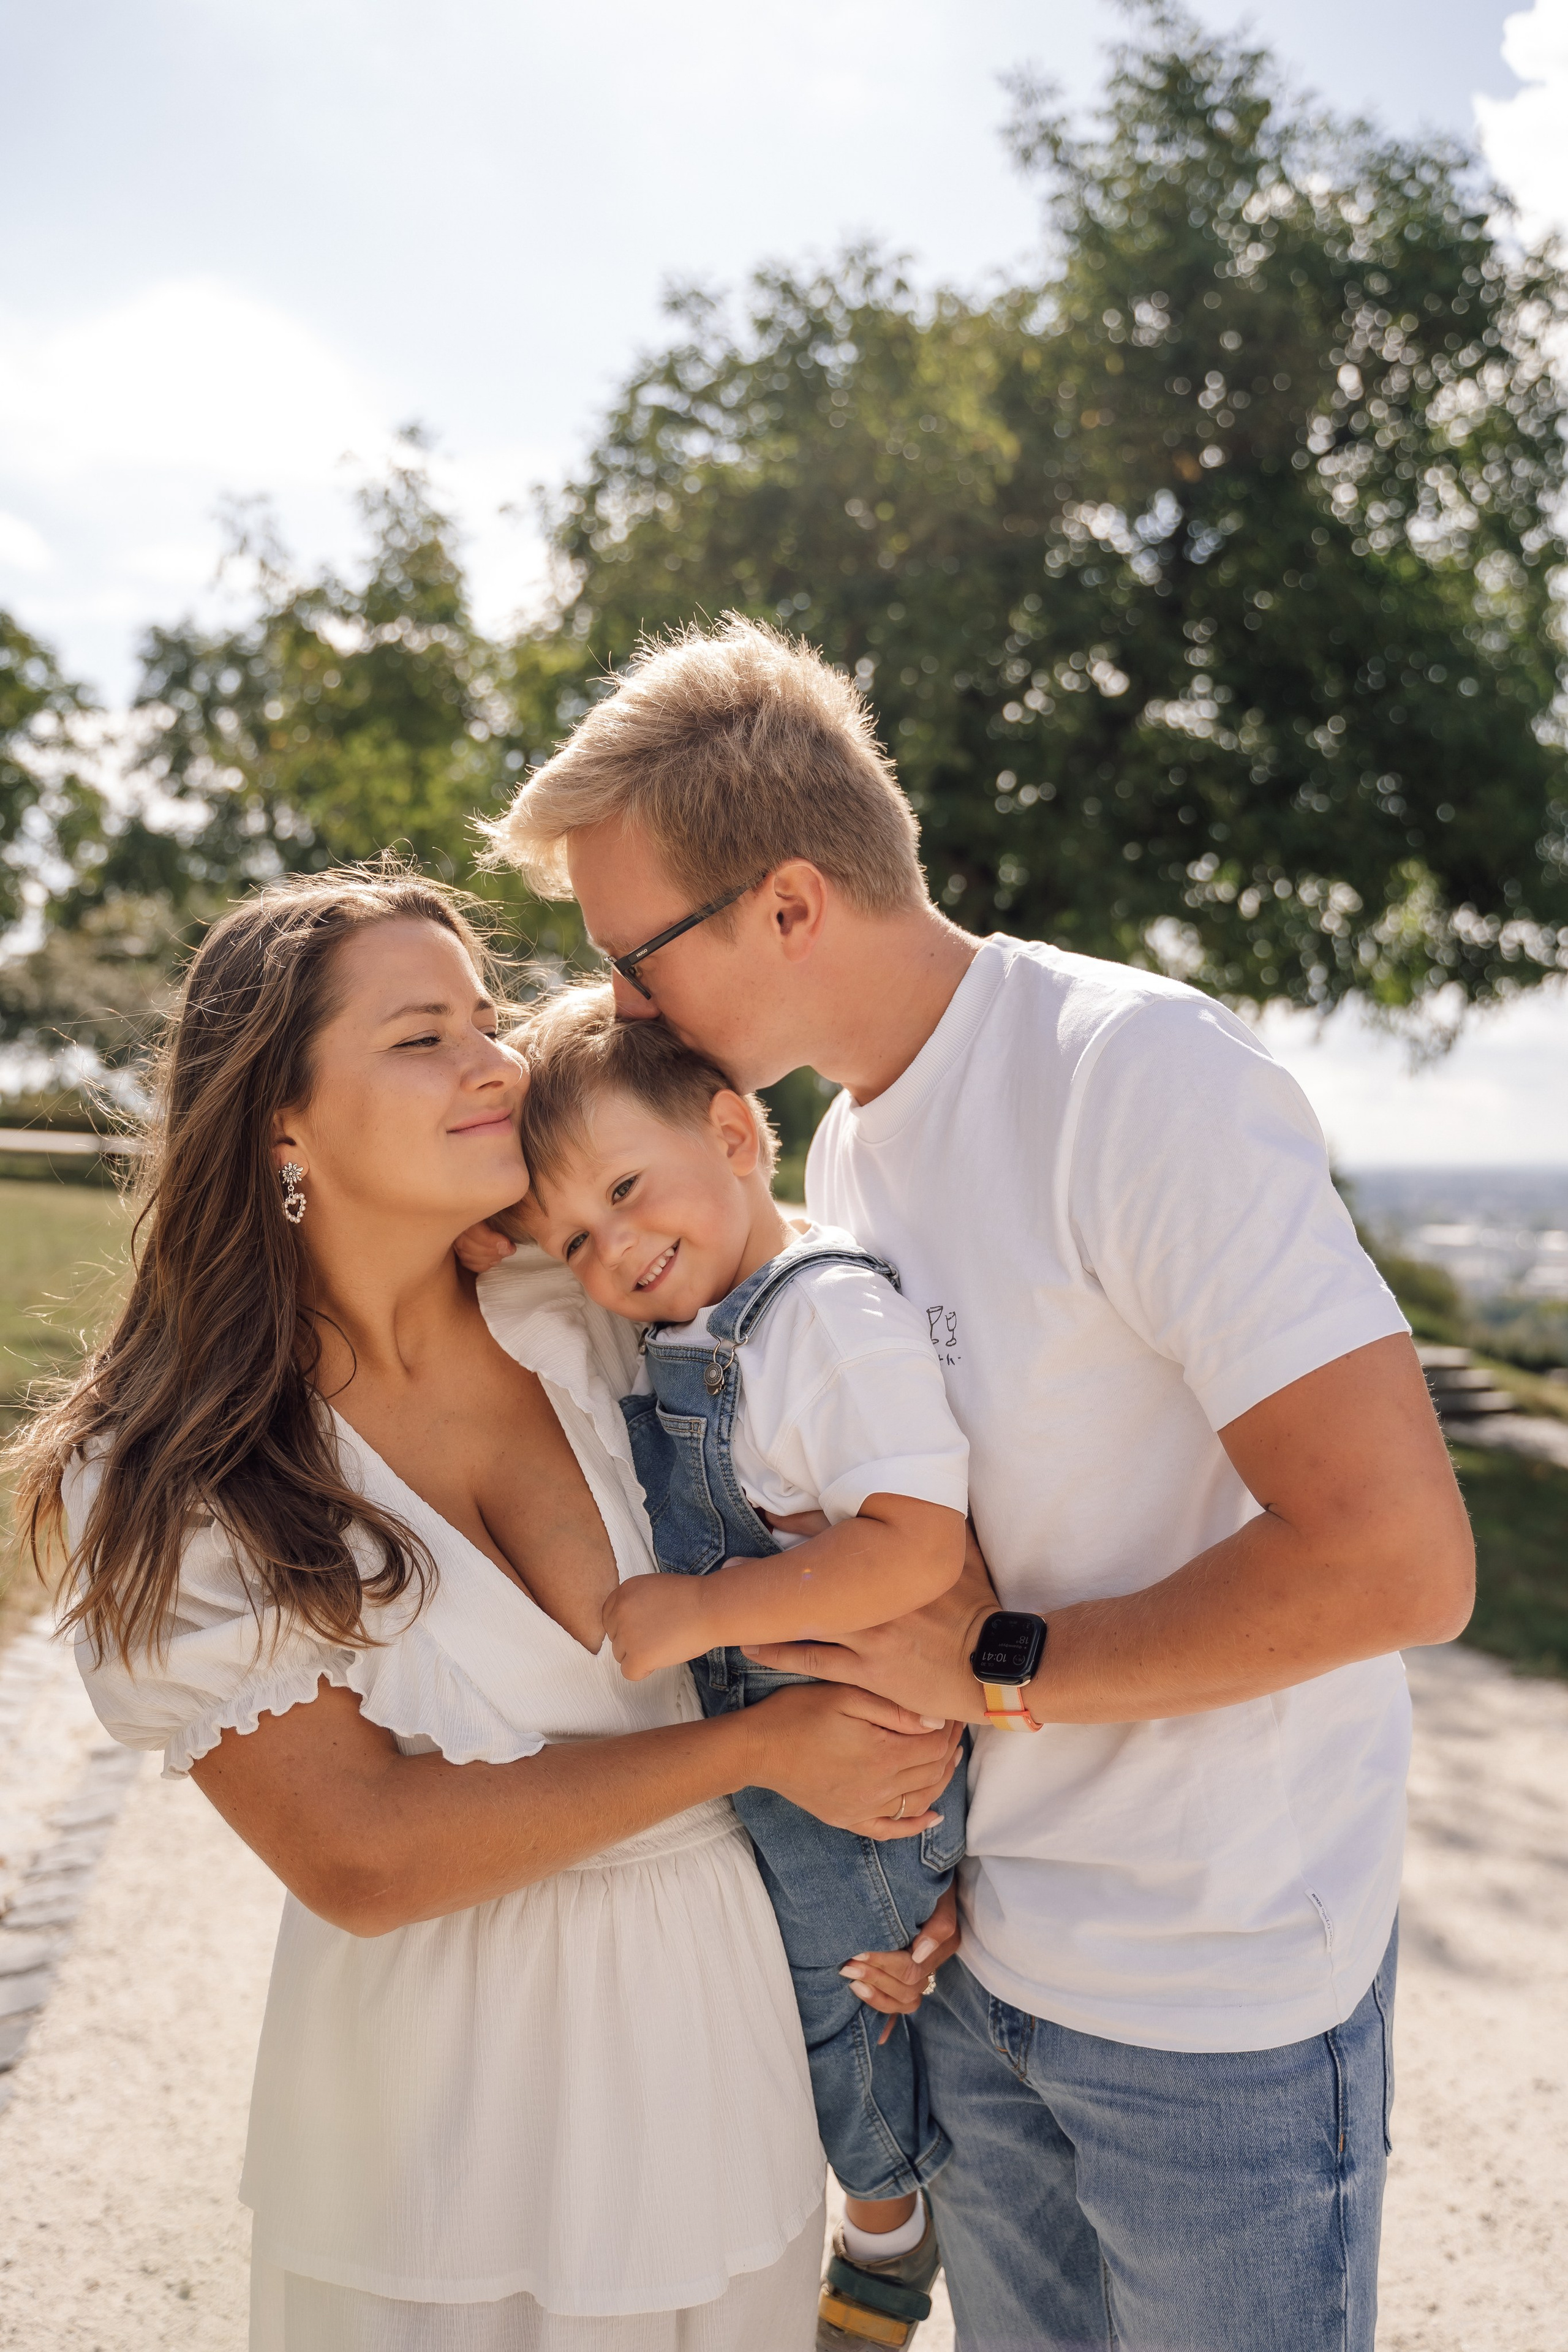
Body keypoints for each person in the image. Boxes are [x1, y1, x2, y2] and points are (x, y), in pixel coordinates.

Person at [470, 616, 1476, 2352]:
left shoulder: (1134, 1079)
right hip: (977, 1975)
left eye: (636, 959)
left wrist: (994, 1671)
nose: (621, 1008)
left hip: (1217, 1998)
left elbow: (1400, 1565)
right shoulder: (840, 1147)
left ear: (788, 906)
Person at [10, 867, 965, 2352]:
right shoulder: (176, 1473)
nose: (494, 1062)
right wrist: (755, 1754)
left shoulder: (591, 1316)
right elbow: (363, 1856)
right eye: (419, 1037)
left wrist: (901, 1857)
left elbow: (882, 1530)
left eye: (483, 1020)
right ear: (278, 1118)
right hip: (446, 2113)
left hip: (718, 2049)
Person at [492, 982, 971, 2346]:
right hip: (779, 1745)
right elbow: (494, 1252)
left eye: (633, 1190)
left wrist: (700, 1611)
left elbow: (916, 1545)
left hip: (859, 1745)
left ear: (736, 1133)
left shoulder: (822, 1317)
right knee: (772, 1999)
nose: (615, 1247)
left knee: (841, 2003)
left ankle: (885, 2224)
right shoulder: (698, 1316)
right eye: (576, 1236)